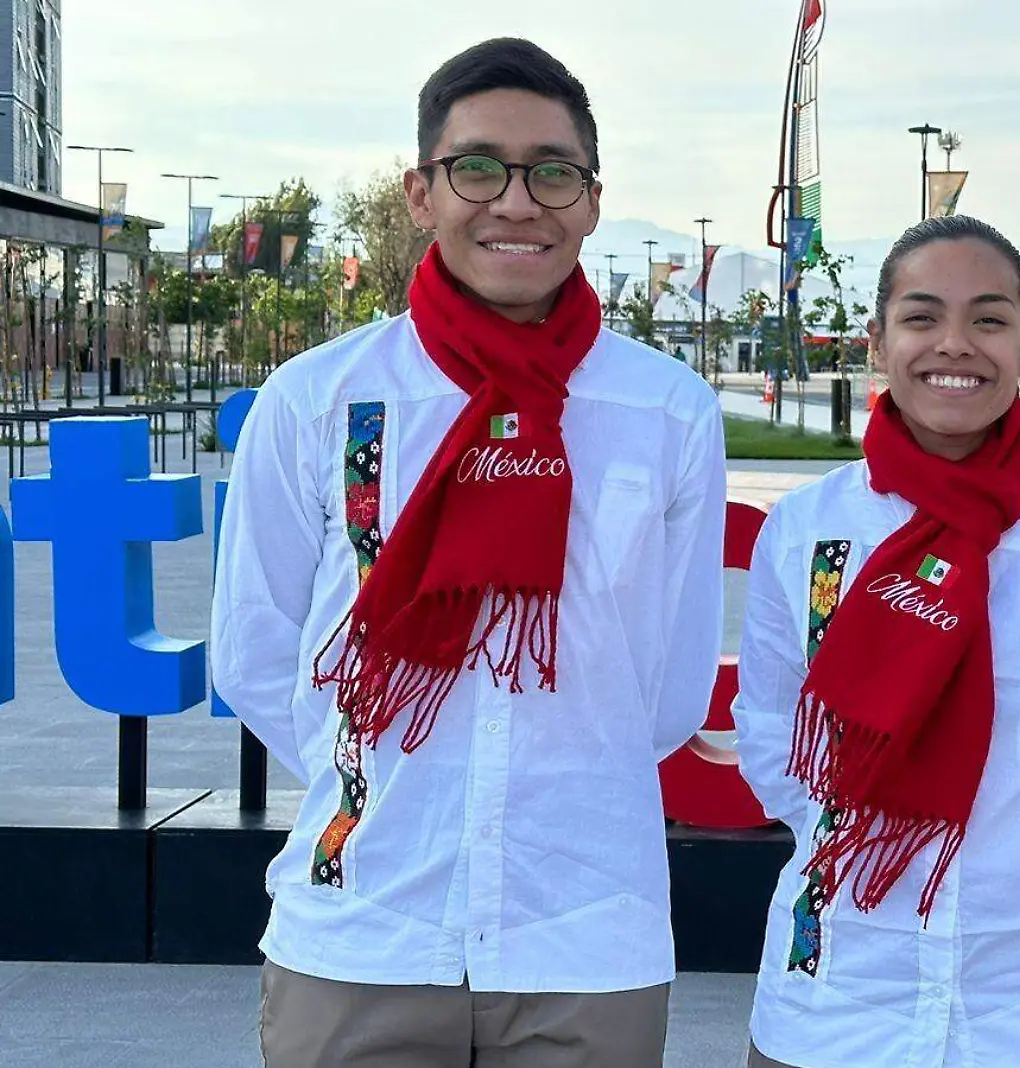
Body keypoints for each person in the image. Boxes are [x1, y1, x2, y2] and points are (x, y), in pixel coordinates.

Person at [210, 37, 725, 1067]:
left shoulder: (664, 411)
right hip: (363, 926)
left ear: (590, 197)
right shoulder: (321, 398)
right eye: (478, 167)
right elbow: (257, 651)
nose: (517, 202)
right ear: (420, 192)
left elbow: (665, 692)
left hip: (584, 933)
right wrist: (381, 780)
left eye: (553, 172)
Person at [731, 215, 1020, 1068]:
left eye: (990, 319)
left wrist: (1013, 866)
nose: (955, 345)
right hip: (843, 985)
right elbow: (774, 740)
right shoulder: (808, 532)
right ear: (877, 341)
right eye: (923, 317)